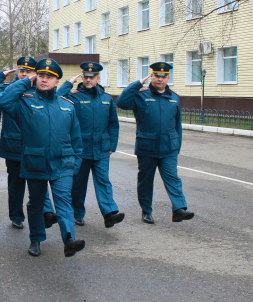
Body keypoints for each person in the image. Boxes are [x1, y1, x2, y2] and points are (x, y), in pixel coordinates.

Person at [0, 58, 85, 258]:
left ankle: (69, 239)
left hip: (63, 163)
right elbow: (2, 100)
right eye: (41, 76)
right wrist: (26, 81)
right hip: (35, 161)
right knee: (36, 203)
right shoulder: (25, 102)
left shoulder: (67, 105)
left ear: (57, 81)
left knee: (63, 200)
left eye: (49, 77)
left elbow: (76, 140)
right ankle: (36, 238)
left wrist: (75, 165)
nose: (44, 80)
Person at [0, 56, 57, 230]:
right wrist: (0, 76)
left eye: (28, 71)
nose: (24, 74)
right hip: (14, 144)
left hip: (37, 144)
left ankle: (47, 213)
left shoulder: (41, 89)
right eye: (21, 70)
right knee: (16, 183)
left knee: (39, 179)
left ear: (35, 73)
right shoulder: (9, 89)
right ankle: (16, 216)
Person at [116, 62, 194, 224]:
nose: (160, 79)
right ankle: (146, 211)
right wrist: (137, 84)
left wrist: (177, 145)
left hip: (169, 147)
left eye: (163, 76)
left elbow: (177, 124)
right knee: (145, 181)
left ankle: (179, 209)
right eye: (157, 75)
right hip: (147, 148)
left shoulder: (174, 98)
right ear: (151, 76)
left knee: (172, 178)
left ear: (168, 78)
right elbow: (122, 103)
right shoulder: (141, 95)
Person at [58, 62, 124, 228]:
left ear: (98, 78)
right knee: (79, 184)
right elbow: (57, 98)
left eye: (92, 77)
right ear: (82, 77)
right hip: (81, 149)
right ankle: (77, 213)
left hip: (102, 148)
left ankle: (110, 214)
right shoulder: (74, 96)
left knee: (103, 181)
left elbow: (113, 124)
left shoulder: (106, 98)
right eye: (86, 76)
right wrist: (68, 84)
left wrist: (111, 145)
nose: (88, 79)